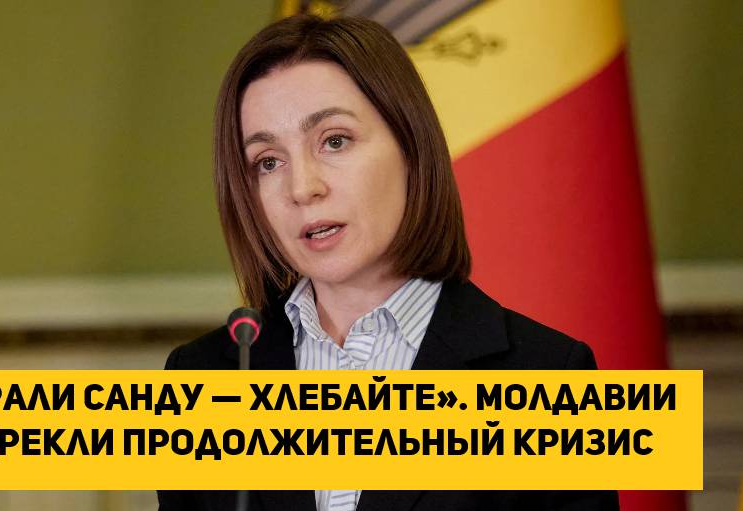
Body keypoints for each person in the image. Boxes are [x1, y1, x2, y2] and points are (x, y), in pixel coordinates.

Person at [158, 14, 619, 511]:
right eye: (268, 162)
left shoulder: (547, 375)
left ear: (410, 147)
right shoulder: (201, 377)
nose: (302, 188)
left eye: (335, 141)